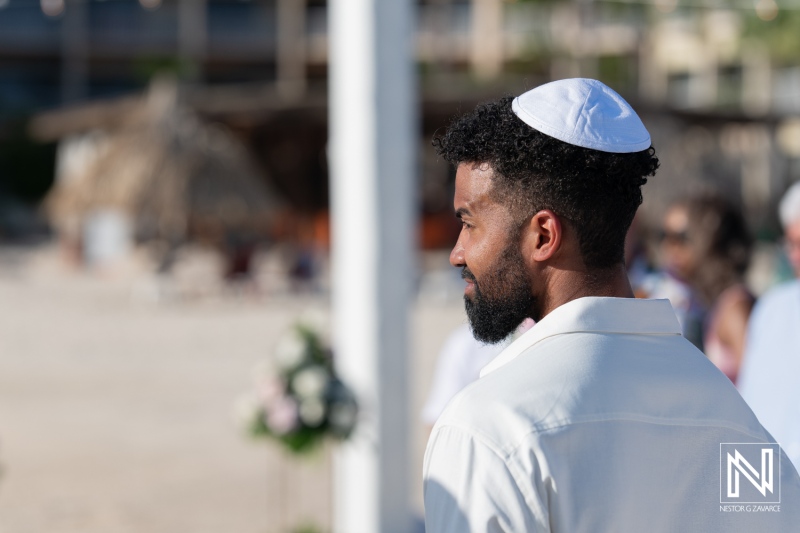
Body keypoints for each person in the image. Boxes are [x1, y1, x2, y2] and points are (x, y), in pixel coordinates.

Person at [422, 78, 800, 532]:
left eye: (469, 223)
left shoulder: (490, 428)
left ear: (543, 235)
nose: (457, 252)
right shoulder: (730, 412)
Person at [656, 194, 754, 383]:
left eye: (681, 237)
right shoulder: (713, 303)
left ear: (708, 239)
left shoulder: (736, 306)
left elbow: (759, 384)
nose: (670, 247)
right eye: (665, 236)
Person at [738, 181, 800, 470]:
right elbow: (751, 415)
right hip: (772, 494)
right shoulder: (773, 308)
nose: (794, 255)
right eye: (792, 243)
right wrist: (744, 504)